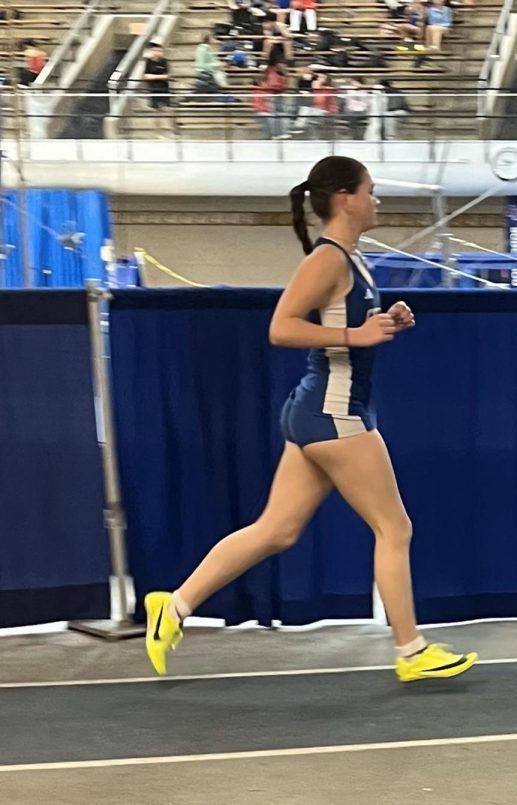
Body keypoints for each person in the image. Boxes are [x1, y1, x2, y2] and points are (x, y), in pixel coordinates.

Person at [143, 156, 477, 683]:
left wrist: (384, 323)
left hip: (319, 410)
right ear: (345, 198)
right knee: (395, 528)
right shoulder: (327, 260)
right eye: (371, 191)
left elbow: (347, 323)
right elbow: (281, 327)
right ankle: (411, 652)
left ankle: (175, 605)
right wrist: (355, 336)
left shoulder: (351, 258)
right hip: (334, 413)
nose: (377, 200)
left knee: (276, 530)